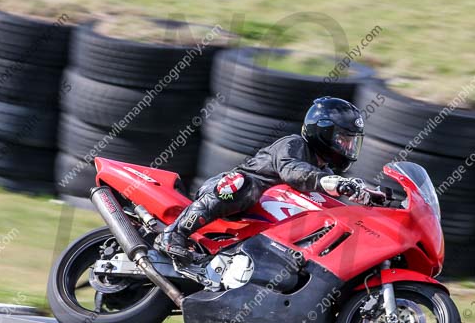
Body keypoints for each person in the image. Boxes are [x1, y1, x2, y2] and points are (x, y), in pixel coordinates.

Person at [155, 96, 382, 260]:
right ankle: (174, 234)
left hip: (268, 222)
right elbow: (292, 171)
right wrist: (331, 183)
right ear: (322, 131)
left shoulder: (325, 173)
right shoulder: (293, 144)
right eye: (343, 139)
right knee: (240, 184)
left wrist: (367, 198)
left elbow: (333, 203)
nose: (347, 147)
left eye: (351, 142)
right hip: (236, 195)